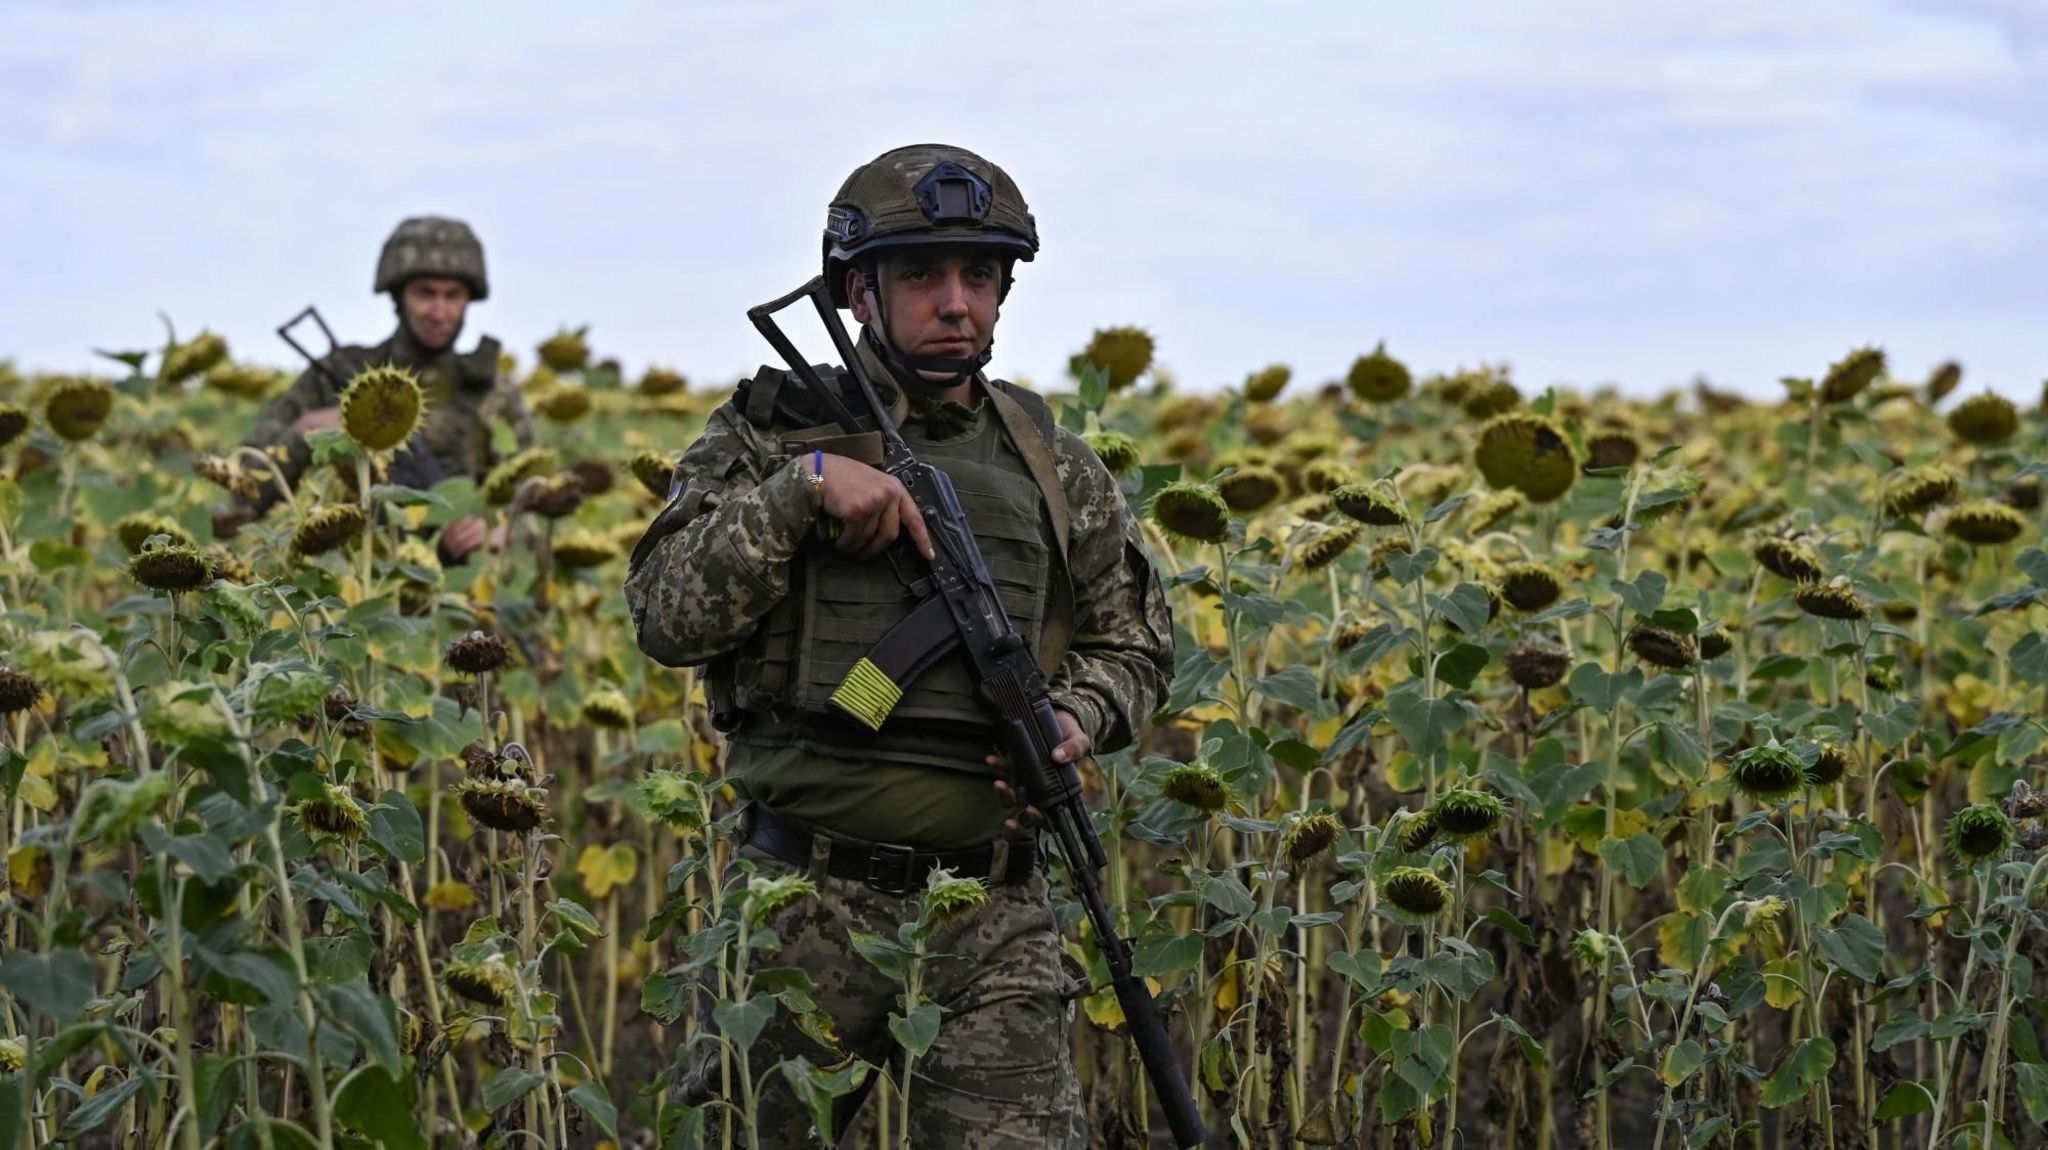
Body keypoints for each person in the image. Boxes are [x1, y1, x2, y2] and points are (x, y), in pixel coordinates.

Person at [625, 144, 1174, 1146]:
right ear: (856, 293)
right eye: (921, 274)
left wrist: (1073, 713)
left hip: (992, 913)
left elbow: (1135, 645)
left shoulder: (1055, 467)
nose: (954, 302)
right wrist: (800, 493)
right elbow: (666, 615)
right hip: (804, 907)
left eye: (978, 276)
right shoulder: (768, 435)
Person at [232, 215, 532, 560]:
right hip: (345, 588)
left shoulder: (493, 392)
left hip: (453, 595)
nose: (439, 312)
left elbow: (534, 507)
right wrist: (304, 432)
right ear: (398, 295)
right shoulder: (337, 374)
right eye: (425, 294)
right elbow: (242, 496)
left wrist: (499, 529)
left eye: (453, 296)